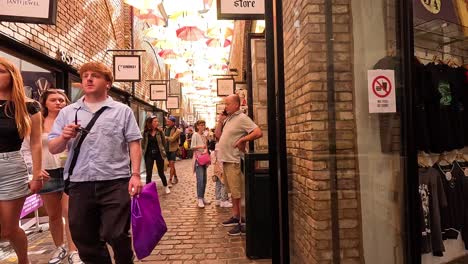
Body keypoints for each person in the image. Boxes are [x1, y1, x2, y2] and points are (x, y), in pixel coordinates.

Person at [48, 62, 143, 264]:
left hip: (115, 181)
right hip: (80, 183)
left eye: (95, 76)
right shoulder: (68, 112)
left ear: (108, 83)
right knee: (84, 238)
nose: (89, 79)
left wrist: (135, 174)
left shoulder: (122, 111)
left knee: (115, 234)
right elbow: (53, 148)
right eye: (85, 76)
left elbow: (134, 143)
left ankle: (125, 259)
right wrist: (64, 137)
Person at [22, 89, 83, 264]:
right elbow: (27, 148)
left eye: (62, 100)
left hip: (68, 172)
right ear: (45, 103)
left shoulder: (71, 121)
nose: (58, 103)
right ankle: (59, 247)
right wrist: (34, 169)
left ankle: (73, 250)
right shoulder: (36, 122)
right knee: (54, 214)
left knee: (69, 212)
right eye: (53, 100)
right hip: (46, 173)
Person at [0, 57, 48, 264]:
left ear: (12, 75)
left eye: (1, 71)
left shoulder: (29, 107)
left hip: (11, 167)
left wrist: (38, 173)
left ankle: (23, 260)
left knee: (8, 229)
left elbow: (36, 143)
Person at [215, 94, 263, 236]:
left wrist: (243, 139)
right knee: (233, 193)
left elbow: (258, 132)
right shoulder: (229, 119)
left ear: (236, 105)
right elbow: (218, 136)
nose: (225, 106)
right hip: (227, 160)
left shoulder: (242, 118)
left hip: (235, 160)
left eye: (228, 104)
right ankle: (235, 216)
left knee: (238, 193)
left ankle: (241, 223)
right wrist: (220, 121)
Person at [141, 116, 170, 194]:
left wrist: (163, 151)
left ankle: (166, 186)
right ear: (150, 123)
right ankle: (147, 190)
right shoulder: (145, 132)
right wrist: (144, 151)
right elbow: (143, 144)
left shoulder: (160, 132)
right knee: (148, 173)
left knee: (161, 172)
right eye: (155, 121)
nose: (157, 123)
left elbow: (164, 143)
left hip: (159, 154)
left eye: (157, 121)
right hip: (149, 154)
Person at [191, 119, 210, 208]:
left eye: (203, 125)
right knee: (200, 180)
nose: (202, 127)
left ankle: (202, 197)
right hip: (198, 159)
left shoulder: (203, 135)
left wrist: (206, 139)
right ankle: (199, 199)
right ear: (197, 126)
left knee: (204, 179)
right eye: (201, 125)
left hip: (204, 158)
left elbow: (206, 146)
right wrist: (201, 146)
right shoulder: (195, 135)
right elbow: (192, 147)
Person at [212, 143, 232, 208]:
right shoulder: (222, 143)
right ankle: (223, 201)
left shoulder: (217, 144)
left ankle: (218, 199)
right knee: (224, 183)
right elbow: (221, 157)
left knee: (218, 183)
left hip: (217, 166)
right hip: (221, 166)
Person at [164, 115, 180, 184]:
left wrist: (166, 137)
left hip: (173, 149)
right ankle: (175, 177)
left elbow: (173, 139)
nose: (167, 122)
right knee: (171, 165)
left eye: (169, 121)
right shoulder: (165, 129)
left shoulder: (177, 131)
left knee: (172, 164)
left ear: (173, 122)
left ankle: (170, 180)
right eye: (167, 121)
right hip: (166, 149)